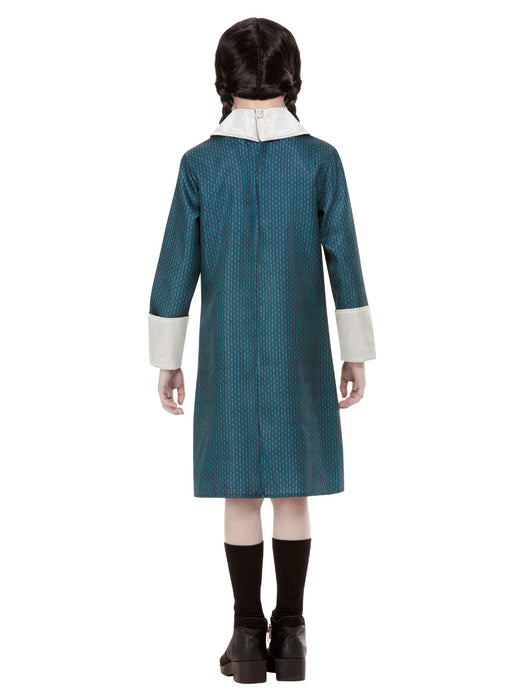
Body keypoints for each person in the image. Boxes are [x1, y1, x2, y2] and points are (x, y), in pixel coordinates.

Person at [148, 17, 376, 683]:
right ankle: (293, 635)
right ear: (291, 74)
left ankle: (247, 635)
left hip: (225, 351)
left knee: (240, 491)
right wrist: (355, 350)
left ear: (223, 78)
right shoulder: (319, 160)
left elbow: (176, 266)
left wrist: (168, 358)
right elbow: (344, 260)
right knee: (293, 489)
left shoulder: (200, 164)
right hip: (299, 348)